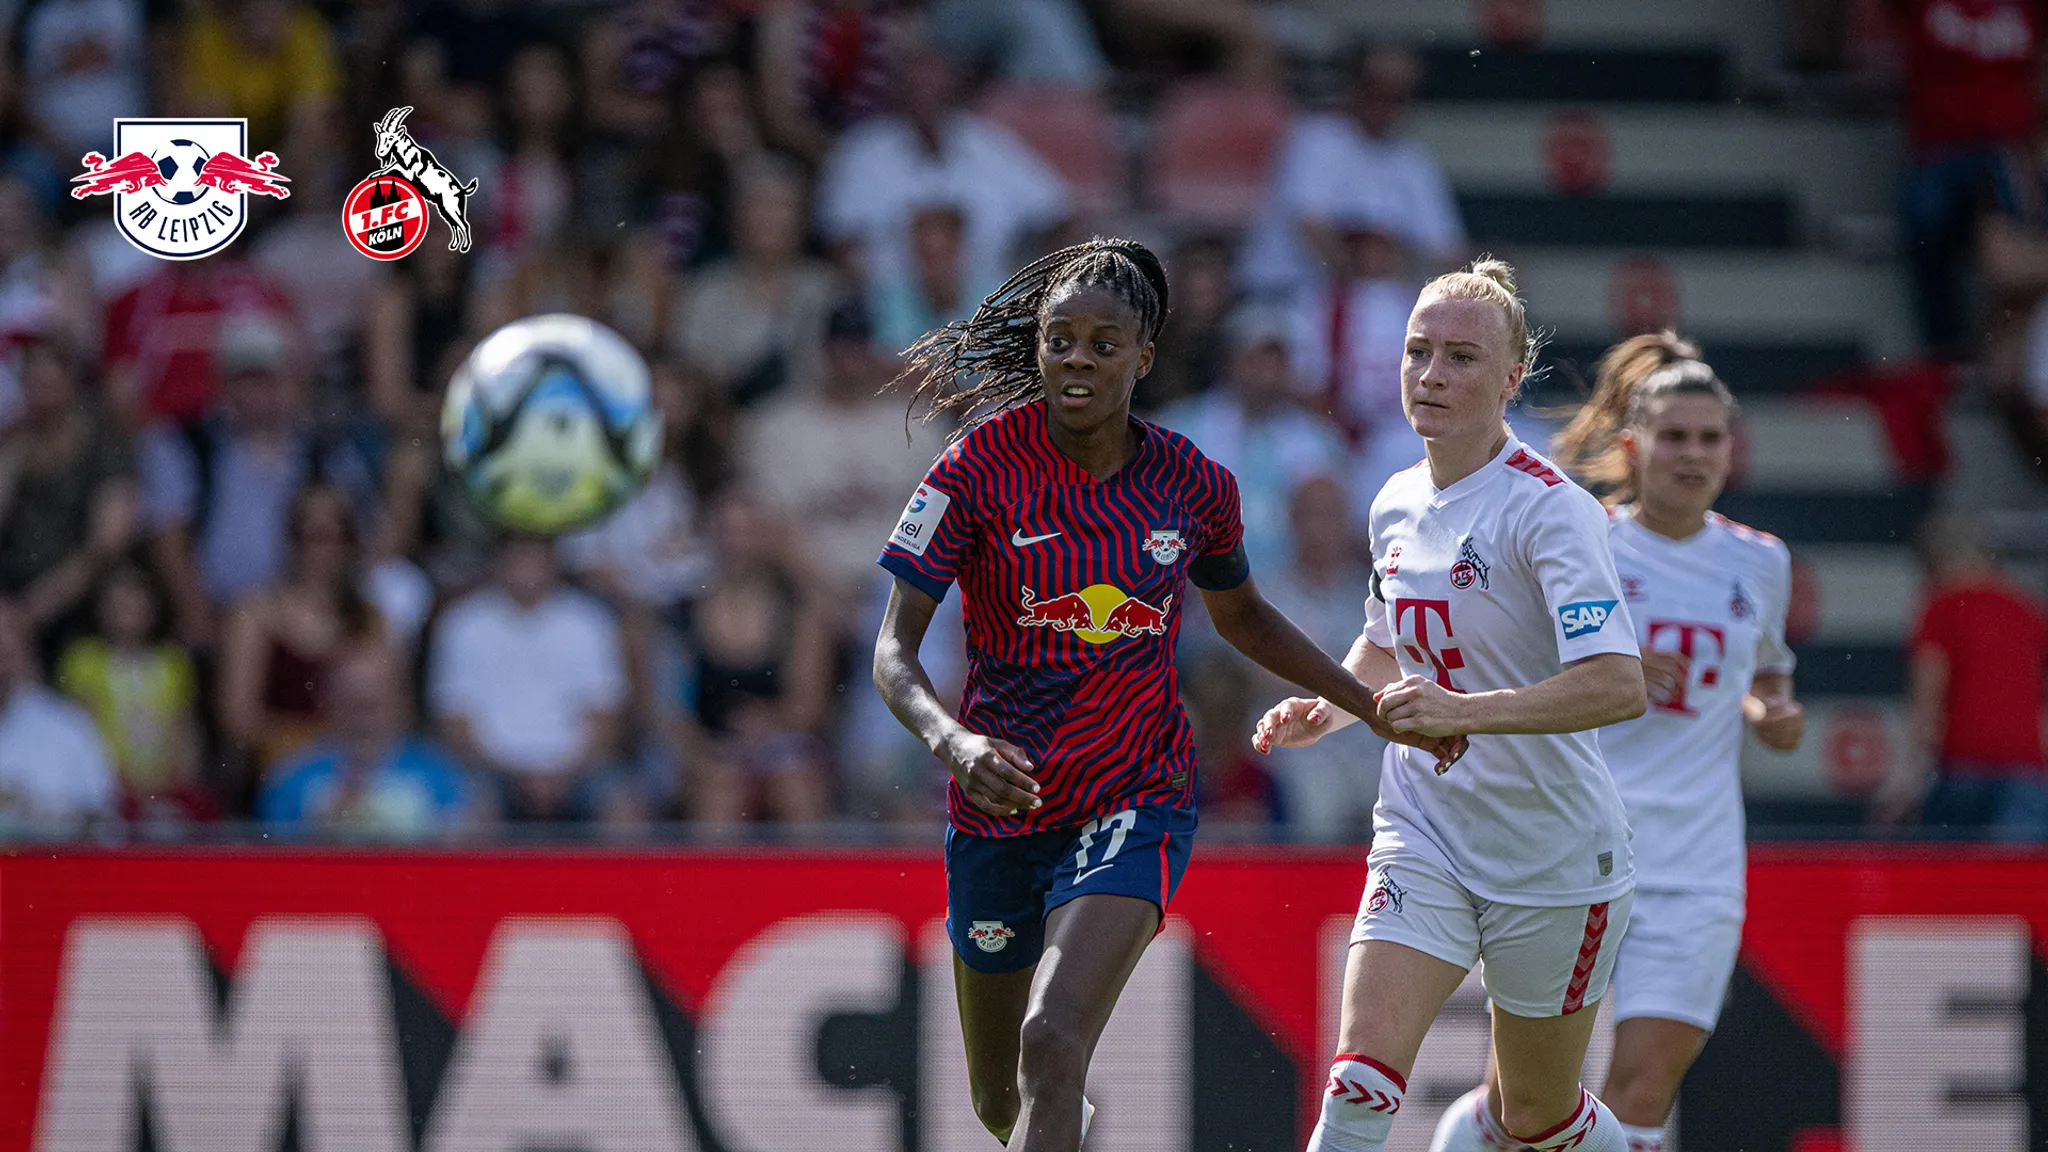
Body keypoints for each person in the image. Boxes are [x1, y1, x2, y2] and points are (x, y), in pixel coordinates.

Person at [871, 237, 1462, 1152]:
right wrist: (955, 745)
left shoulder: (1193, 482)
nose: (1076, 357)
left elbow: (1247, 621)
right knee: (999, 1100)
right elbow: (892, 652)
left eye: (1103, 343)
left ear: (1142, 359)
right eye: (1058, 338)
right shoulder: (973, 470)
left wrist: (1369, 704)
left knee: (1050, 1038)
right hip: (998, 802)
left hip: (1132, 795)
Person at [1252, 259, 1646, 1152]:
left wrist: (1465, 714)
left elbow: (1617, 684)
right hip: (1424, 832)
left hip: (1552, 855)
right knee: (1357, 1086)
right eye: (1417, 351)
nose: (1430, 375)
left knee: (1533, 1122)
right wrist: (1334, 704)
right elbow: (1390, 641)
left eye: (1461, 358)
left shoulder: (1551, 512)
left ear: (1511, 381)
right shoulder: (1392, 499)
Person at [1431, 333, 1806, 1152]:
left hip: (1697, 868)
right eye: (1675, 436)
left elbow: (1768, 671)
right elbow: (1515, 655)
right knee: (1526, 1105)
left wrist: (1770, 711)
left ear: (1731, 450)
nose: (1693, 454)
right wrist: (1612, 664)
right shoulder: (1585, 538)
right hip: (1576, 847)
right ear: (1633, 445)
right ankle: (1466, 1132)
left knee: (1642, 1092)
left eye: (1710, 438)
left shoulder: (1761, 562)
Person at [428, 534, 636, 823]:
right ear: (498, 562)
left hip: (578, 771)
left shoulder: (589, 620)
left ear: (554, 563)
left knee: (623, 806)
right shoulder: (463, 622)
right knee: (469, 807)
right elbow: (456, 725)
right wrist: (521, 776)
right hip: (492, 770)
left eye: (536, 558)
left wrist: (561, 774)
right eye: (518, 558)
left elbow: (606, 720)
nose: (527, 568)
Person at [1238, 43, 1465, 298]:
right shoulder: (1316, 137)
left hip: (1373, 306)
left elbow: (1446, 252)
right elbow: (1311, 229)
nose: (1387, 104)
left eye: (1399, 95)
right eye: (1378, 90)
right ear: (1355, 87)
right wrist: (1371, 275)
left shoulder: (1413, 160)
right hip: (1285, 293)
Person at [1876, 511, 2048, 835]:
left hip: (1963, 766)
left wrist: (1907, 778)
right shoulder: (2027, 608)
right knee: (2016, 882)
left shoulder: (1941, 607)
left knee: (1954, 880)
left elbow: (1927, 697)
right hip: (2026, 770)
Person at [260, 641, 480, 839]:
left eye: (375, 706)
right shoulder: (294, 777)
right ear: (328, 702)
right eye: (354, 705)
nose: (365, 720)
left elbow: (465, 838)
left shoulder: (441, 773)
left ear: (403, 702)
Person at [55, 563, 210, 823]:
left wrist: (176, 782)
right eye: (116, 604)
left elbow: (185, 730)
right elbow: (81, 734)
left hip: (165, 783)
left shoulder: (173, 662)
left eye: (135, 602)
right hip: (109, 786)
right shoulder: (83, 660)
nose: (126, 612)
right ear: (99, 608)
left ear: (154, 607)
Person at [0, 599, 118, 837]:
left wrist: (32, 810)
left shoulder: (68, 727)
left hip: (46, 869)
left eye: (5, 640)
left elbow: (104, 822)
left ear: (23, 648)